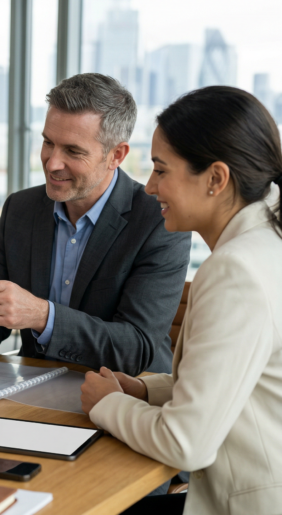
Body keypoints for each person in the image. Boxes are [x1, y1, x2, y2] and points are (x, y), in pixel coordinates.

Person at [80, 86, 282, 515]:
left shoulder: (236, 271)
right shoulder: (268, 242)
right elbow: (234, 381)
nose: (150, 187)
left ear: (216, 179)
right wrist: (142, 389)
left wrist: (107, 404)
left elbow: (185, 444)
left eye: (160, 170)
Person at [0, 73, 190, 377]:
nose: (51, 163)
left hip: (125, 397)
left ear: (116, 155)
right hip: (30, 387)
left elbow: (137, 347)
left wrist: (42, 315)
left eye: (73, 151)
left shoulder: (159, 221)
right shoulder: (20, 209)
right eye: (48, 143)